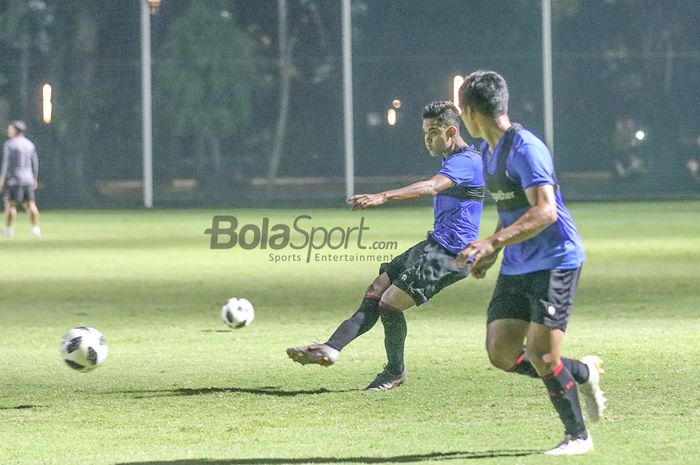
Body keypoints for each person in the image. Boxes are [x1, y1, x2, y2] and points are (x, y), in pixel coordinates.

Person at [455, 71, 606, 455]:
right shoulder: (489, 153)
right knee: (501, 352)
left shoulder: (525, 148)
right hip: (518, 261)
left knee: (541, 354)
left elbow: (545, 211)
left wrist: (492, 241)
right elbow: (512, 210)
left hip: (556, 259)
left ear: (470, 112)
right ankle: (582, 373)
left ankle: (579, 437)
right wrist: (493, 251)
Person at [287, 101, 485, 390]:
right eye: (424, 132)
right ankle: (331, 347)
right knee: (377, 289)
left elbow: (431, 186)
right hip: (434, 245)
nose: (427, 139)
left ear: (451, 131)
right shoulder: (454, 159)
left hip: (452, 255)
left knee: (390, 304)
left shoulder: (466, 161)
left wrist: (383, 196)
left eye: (433, 132)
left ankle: (394, 372)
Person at [0, 120, 41, 237]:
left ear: (15, 131)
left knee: (11, 205)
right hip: (27, 179)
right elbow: (35, 162)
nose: (9, 131)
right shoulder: (29, 144)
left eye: (10, 129)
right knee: (31, 205)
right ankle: (35, 228)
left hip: (14, 180)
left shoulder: (10, 144)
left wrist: (2, 179)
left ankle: (8, 229)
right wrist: (35, 177)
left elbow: (6, 163)